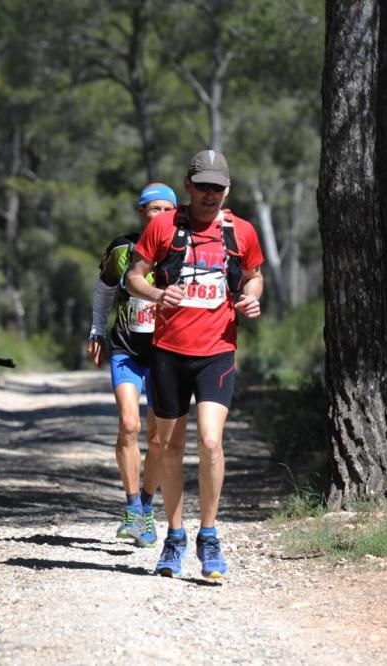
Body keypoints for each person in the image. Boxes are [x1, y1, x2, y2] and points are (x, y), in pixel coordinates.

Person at [125, 150, 264, 579]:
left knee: (209, 443)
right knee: (166, 446)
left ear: (228, 189)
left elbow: (255, 274)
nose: (209, 194)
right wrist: (155, 294)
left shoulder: (241, 232)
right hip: (169, 351)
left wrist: (253, 297)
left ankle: (209, 535)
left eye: (217, 188)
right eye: (202, 186)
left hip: (217, 352)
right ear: (188, 186)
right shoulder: (163, 226)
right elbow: (134, 274)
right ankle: (174, 536)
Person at [87, 183, 177, 548]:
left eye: (164, 210)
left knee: (158, 439)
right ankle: (131, 508)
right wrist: (96, 330)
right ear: (141, 213)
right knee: (128, 423)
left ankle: (148, 507)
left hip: (167, 352)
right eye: (151, 210)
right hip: (126, 347)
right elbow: (104, 290)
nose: (157, 216)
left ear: (174, 213)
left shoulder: (182, 251)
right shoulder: (123, 250)